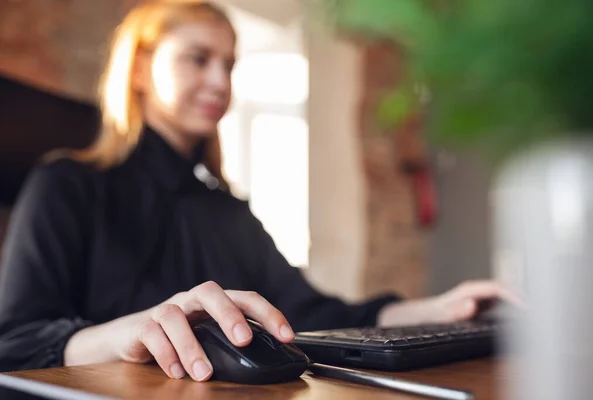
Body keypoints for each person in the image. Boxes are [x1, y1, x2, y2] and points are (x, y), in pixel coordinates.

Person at [0, 0, 519, 382]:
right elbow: (15, 342)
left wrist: (434, 310)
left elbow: (312, 312)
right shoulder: (67, 185)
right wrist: (124, 335)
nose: (220, 83)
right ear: (139, 67)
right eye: (198, 59)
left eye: (229, 64)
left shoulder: (227, 211)